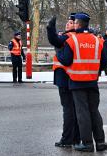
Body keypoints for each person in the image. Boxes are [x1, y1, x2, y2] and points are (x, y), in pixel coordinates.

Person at [56, 12, 107, 152]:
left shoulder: (72, 41)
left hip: (77, 82)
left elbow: (66, 60)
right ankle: (100, 142)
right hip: (92, 82)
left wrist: (58, 51)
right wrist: (94, 72)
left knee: (82, 113)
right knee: (94, 111)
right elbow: (105, 61)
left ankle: (87, 143)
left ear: (78, 24)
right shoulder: (97, 40)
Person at [47, 13, 80, 148]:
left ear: (77, 25)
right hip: (75, 77)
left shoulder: (68, 37)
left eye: (71, 22)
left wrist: (50, 27)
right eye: (67, 22)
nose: (68, 24)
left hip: (65, 77)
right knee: (75, 110)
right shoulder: (78, 37)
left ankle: (67, 139)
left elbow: (54, 40)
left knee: (68, 110)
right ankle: (76, 138)